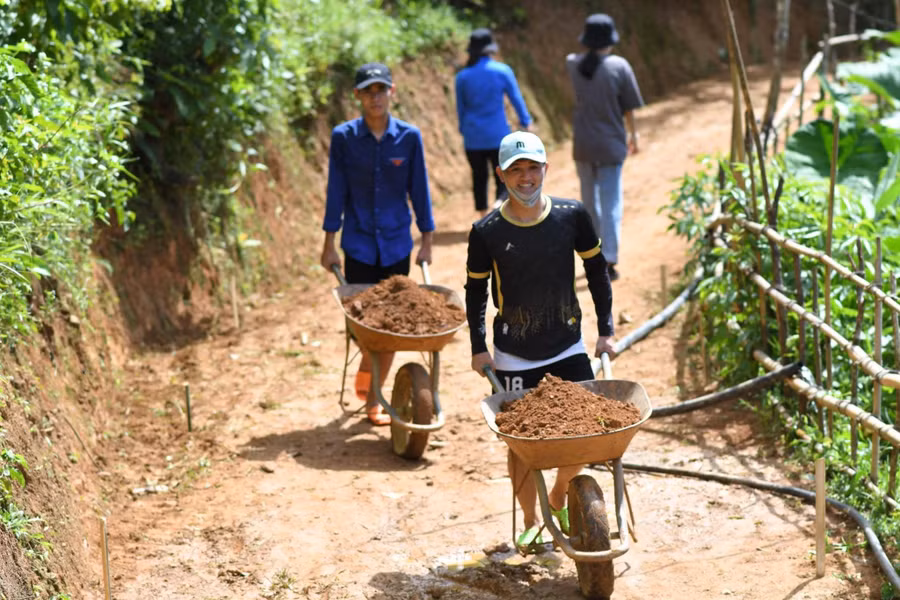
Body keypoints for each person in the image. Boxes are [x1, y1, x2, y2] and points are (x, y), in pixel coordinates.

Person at [464, 131, 616, 551]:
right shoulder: (487, 232)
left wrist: (605, 331)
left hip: (567, 345)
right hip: (514, 355)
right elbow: (476, 291)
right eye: (516, 170)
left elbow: (598, 270)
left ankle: (557, 496)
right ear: (501, 174)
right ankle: (531, 521)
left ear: (546, 169)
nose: (526, 178)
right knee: (522, 448)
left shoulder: (572, 216)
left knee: (585, 434)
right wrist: (478, 347)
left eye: (533, 168)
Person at [320, 62, 435, 426]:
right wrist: (328, 243)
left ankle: (373, 399)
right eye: (368, 91)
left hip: (397, 245)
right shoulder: (344, 138)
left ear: (392, 91)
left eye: (381, 89)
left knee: (389, 326)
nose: (375, 97)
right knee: (363, 327)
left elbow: (420, 190)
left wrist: (427, 239)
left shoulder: (409, 137)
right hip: (357, 247)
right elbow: (335, 191)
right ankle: (371, 380)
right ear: (357, 96)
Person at [566, 13, 644, 282]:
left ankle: (592, 256)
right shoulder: (620, 66)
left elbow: (580, 63)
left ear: (586, 39)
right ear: (610, 40)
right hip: (611, 145)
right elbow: (629, 108)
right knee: (611, 204)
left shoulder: (572, 64)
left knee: (589, 205)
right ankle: (609, 259)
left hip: (584, 146)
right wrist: (633, 136)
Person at [455, 28, 533, 218]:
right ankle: (499, 206)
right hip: (498, 135)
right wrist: (526, 121)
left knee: (479, 177)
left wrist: (464, 130)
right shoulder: (502, 71)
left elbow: (461, 109)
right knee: (503, 176)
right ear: (490, 49)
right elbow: (516, 98)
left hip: (473, 137)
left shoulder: (462, 77)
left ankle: (483, 215)